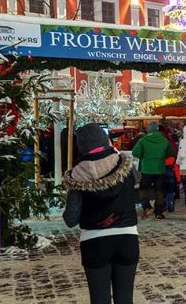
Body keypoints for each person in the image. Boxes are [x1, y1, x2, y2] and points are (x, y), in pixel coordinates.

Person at [63, 123, 140, 304]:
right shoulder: (127, 167)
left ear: (80, 146)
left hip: (94, 242)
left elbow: (70, 219)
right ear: (106, 141)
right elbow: (135, 197)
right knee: (125, 299)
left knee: (99, 299)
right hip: (127, 238)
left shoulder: (77, 175)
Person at [130, 122, 175, 220]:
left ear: (149, 130)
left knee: (144, 189)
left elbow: (135, 153)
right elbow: (171, 154)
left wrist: (145, 156)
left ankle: (146, 207)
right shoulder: (164, 141)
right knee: (159, 191)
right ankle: (158, 213)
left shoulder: (143, 140)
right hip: (160, 169)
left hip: (146, 169)